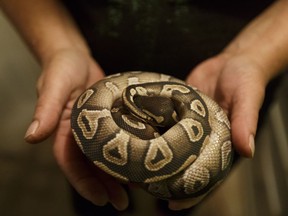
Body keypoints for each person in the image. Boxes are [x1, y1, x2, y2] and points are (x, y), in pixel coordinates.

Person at [1, 0, 287, 214]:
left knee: (178, 198)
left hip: (222, 89)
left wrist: (257, 55)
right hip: (94, 64)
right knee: (96, 187)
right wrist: (59, 46)